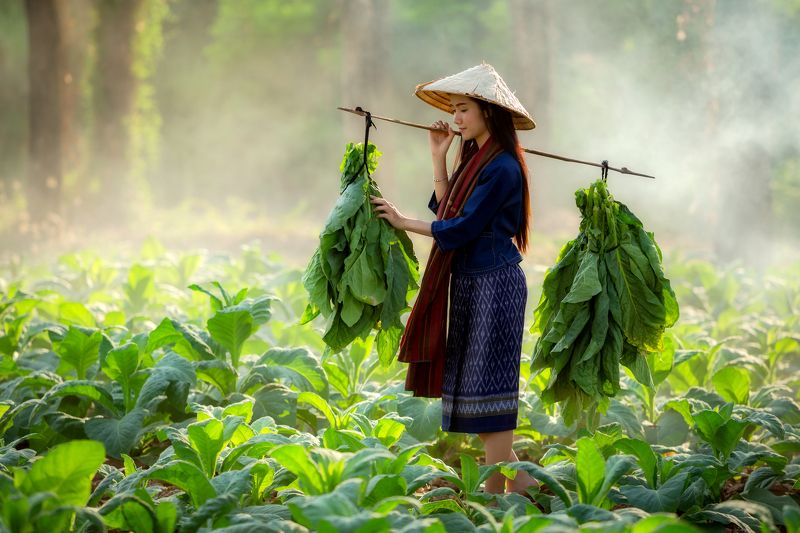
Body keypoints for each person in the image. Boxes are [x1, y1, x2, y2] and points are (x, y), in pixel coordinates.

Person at [370, 63, 538, 495]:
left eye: (464, 110)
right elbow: (448, 212)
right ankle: (518, 491)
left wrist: (404, 222)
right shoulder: (475, 159)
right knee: (479, 397)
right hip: (469, 284)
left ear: (488, 111)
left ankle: (503, 496)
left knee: (491, 396)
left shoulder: (501, 168)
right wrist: (437, 156)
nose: (457, 118)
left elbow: (459, 229)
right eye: (455, 110)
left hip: (494, 286)